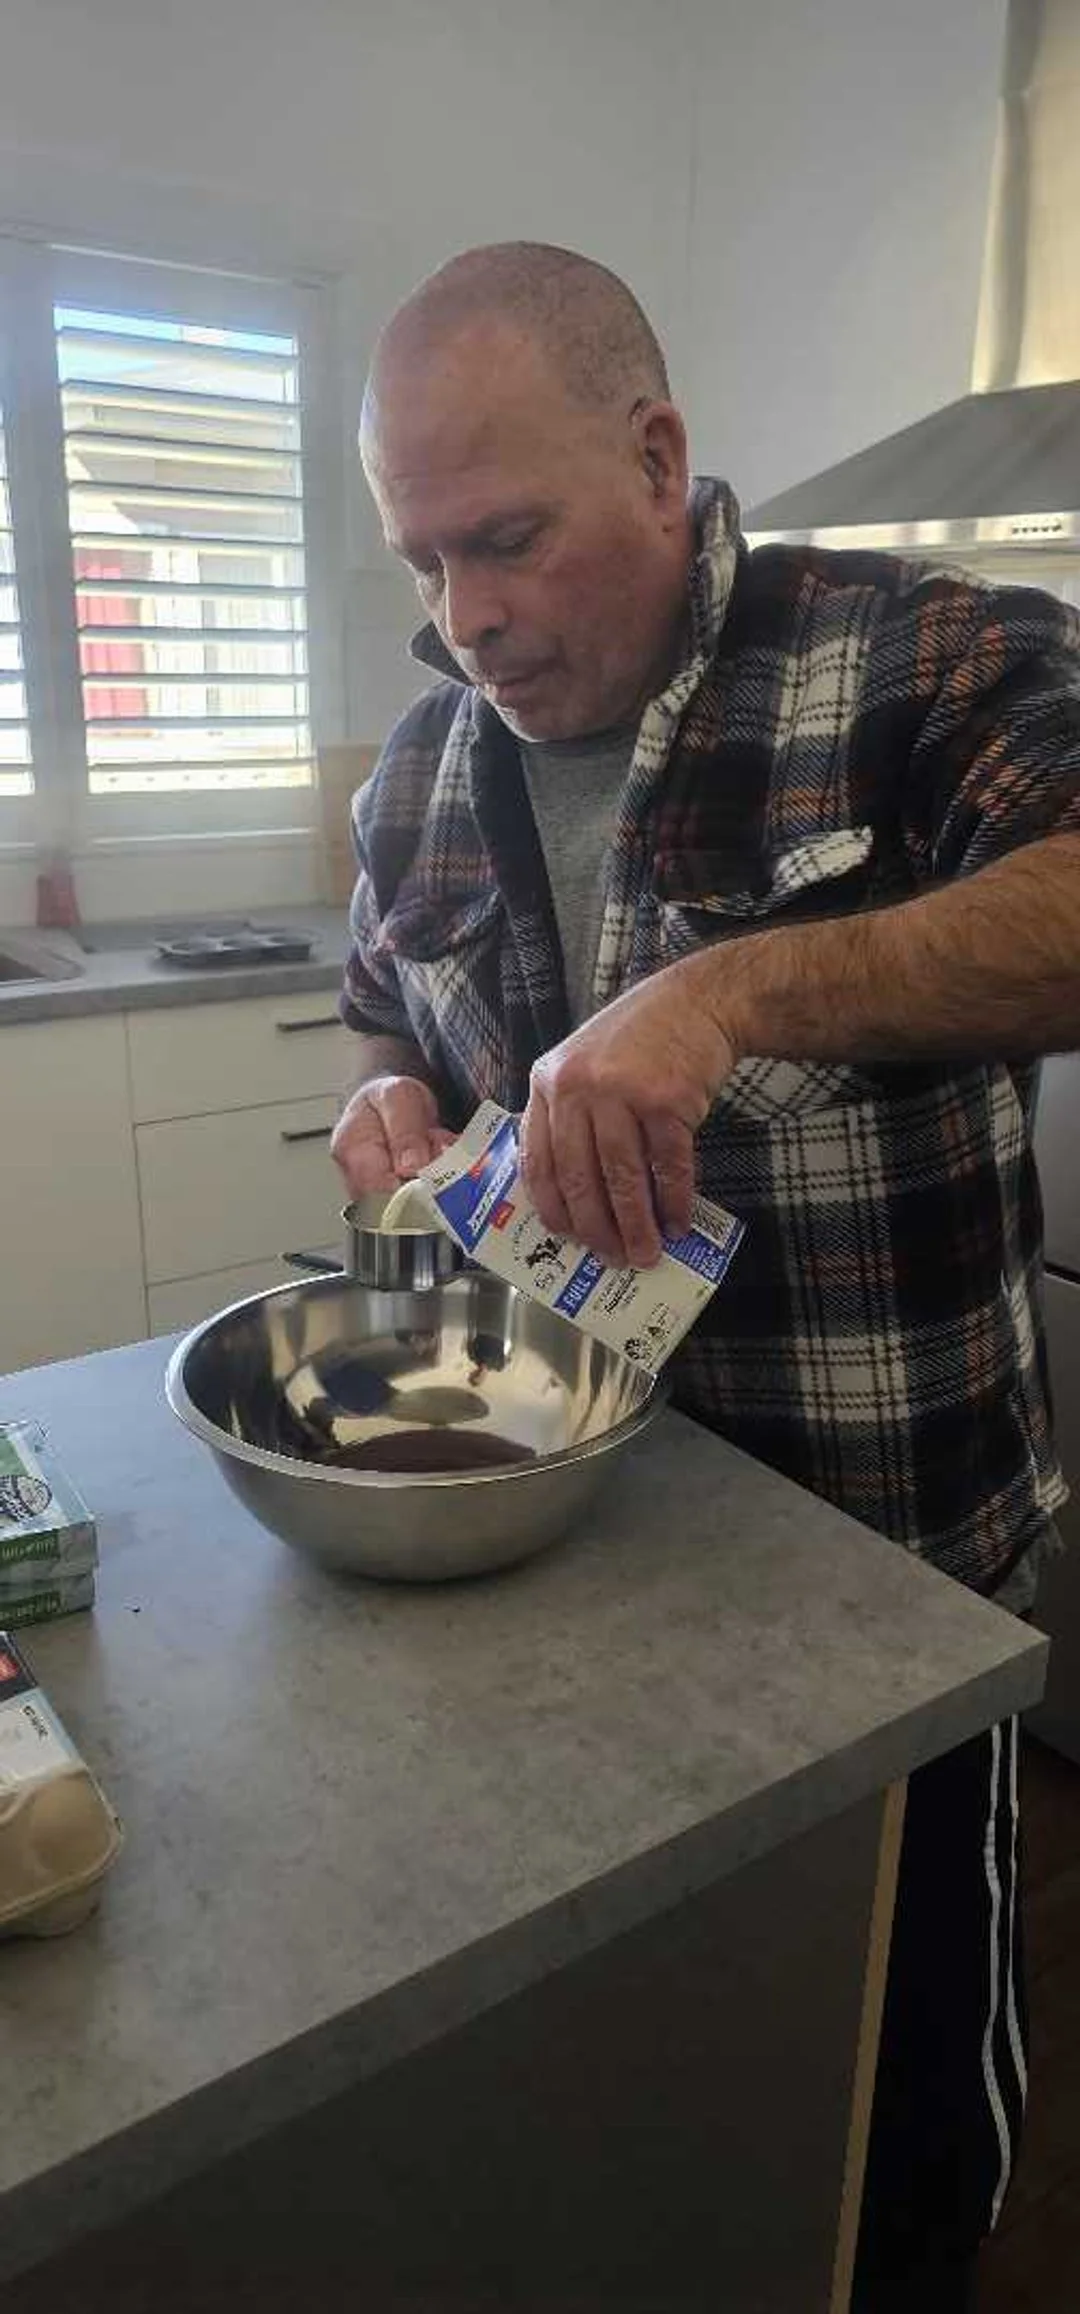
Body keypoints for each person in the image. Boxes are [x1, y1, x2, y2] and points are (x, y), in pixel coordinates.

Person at [331, 241, 1080, 2311]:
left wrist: (728, 990)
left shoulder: (916, 654)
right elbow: (380, 1007)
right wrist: (384, 1101)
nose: (471, 617)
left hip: (891, 1589)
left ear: (659, 457)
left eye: (510, 537)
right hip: (561, 1572)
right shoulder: (422, 763)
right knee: (655, 2101)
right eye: (427, 558)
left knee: (905, 2140)